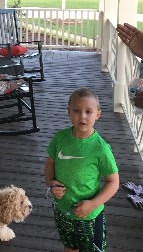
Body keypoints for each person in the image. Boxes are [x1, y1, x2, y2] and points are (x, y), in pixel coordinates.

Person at [44, 88, 119, 252]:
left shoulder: (101, 149)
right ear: (69, 112)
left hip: (89, 215)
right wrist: (50, 183)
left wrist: (93, 204)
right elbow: (50, 164)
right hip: (63, 210)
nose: (82, 116)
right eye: (77, 111)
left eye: (88, 112)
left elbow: (113, 182)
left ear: (97, 115)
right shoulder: (60, 137)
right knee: (69, 245)